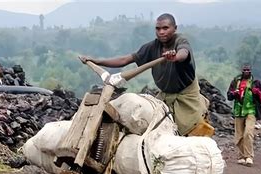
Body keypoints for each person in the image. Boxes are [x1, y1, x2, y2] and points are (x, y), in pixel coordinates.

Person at [79, 13, 214, 137]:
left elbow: (183, 53)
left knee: (193, 133)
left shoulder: (181, 42)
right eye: (158, 28)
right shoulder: (152, 47)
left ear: (175, 28)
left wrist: (175, 57)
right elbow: (125, 60)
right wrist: (96, 61)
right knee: (155, 132)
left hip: (186, 98)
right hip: (165, 96)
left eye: (165, 28)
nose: (161, 32)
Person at [227, 64, 261, 166]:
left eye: (248, 70)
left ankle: (248, 157)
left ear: (251, 71)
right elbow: (229, 96)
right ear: (242, 71)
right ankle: (241, 156)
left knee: (248, 133)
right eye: (245, 70)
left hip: (251, 111)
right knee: (239, 135)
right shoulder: (235, 81)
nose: (246, 72)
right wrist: (234, 93)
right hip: (238, 111)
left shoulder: (255, 83)